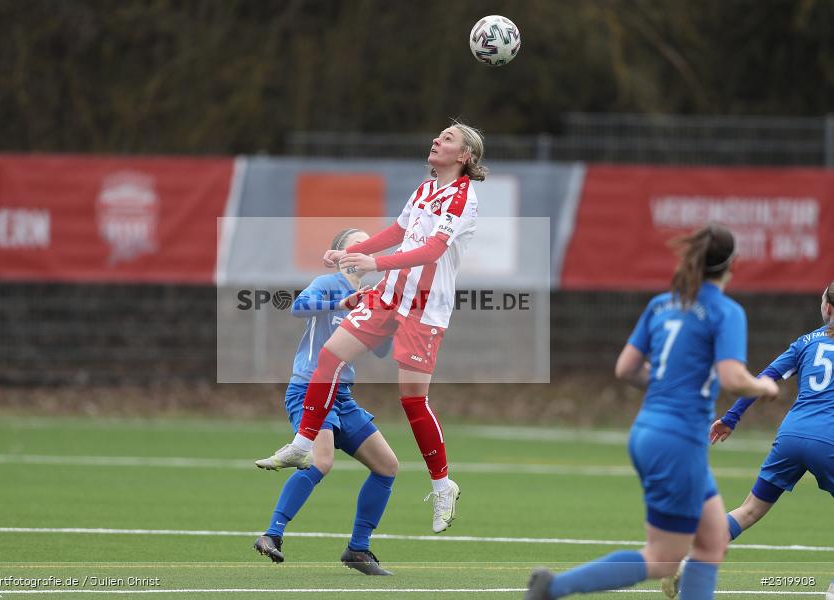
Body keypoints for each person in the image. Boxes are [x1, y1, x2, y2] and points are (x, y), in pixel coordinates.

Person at [525, 223, 780, 600]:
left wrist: (669, 383)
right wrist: (764, 386)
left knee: (712, 540)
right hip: (679, 442)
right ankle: (552, 588)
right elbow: (732, 376)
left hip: (647, 431)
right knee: (662, 558)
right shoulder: (726, 312)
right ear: (733, 263)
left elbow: (625, 368)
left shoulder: (661, 303)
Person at [256, 121, 486, 533]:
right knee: (330, 355)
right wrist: (351, 253)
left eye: (448, 138)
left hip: (424, 306)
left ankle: (442, 485)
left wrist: (373, 262)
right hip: (390, 293)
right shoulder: (425, 189)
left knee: (413, 400)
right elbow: (398, 231)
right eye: (438, 135)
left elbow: (433, 249)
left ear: (465, 156)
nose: (437, 139)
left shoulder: (463, 197)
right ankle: (303, 444)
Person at [661, 281, 834, 598]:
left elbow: (764, 378)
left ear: (827, 308)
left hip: (791, 434)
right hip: (829, 438)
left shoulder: (805, 343)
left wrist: (731, 418)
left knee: (750, 509)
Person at [253, 228, 399, 576]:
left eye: (368, 245)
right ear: (339, 254)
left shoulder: (371, 297)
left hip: (342, 395)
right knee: (322, 460)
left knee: (387, 466)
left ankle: (358, 549)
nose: (364, 249)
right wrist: (342, 303)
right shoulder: (327, 284)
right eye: (356, 244)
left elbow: (381, 351)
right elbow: (298, 307)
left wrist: (391, 321)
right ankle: (271, 534)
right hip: (309, 389)